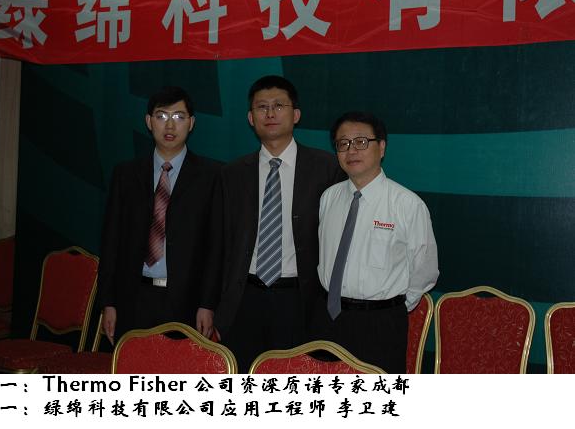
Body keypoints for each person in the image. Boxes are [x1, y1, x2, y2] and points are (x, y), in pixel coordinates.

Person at [211, 75, 344, 372]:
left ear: (296, 115)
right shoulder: (232, 174)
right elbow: (219, 245)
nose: (270, 113)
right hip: (244, 299)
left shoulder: (327, 169)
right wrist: (211, 304)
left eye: (279, 106)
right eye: (262, 107)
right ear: (250, 118)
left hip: (300, 300)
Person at [316, 111, 439, 373]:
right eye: (343, 143)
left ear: (381, 147)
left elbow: (425, 271)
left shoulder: (407, 204)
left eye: (361, 142)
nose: (351, 150)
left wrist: (389, 308)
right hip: (327, 318)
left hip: (380, 324)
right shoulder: (328, 198)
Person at [97, 86, 220, 345]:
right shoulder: (126, 175)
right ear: (148, 121)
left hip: (186, 302)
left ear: (191, 123)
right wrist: (108, 302)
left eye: (179, 117)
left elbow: (215, 246)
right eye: (161, 116)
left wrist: (207, 304)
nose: (170, 125)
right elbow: (111, 242)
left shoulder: (211, 176)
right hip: (133, 297)